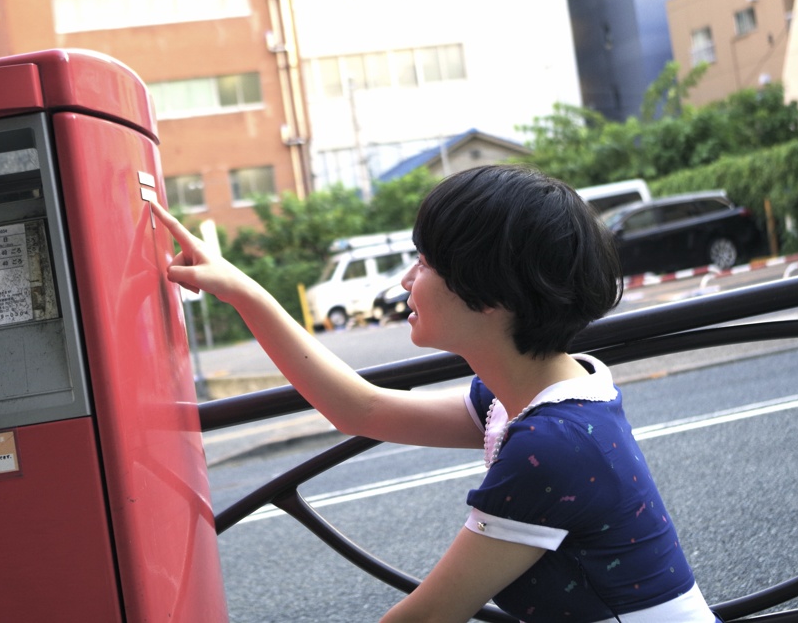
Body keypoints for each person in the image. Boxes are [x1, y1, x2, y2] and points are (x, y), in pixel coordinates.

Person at [154, 165, 721, 623]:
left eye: (424, 262)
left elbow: (426, 617)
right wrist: (242, 290)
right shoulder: (538, 393)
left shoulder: (554, 444)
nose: (405, 280)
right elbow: (361, 409)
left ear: (491, 295)